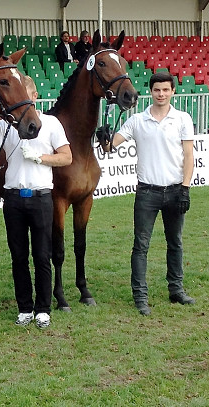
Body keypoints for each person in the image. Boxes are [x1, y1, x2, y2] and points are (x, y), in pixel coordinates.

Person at [0, 76, 72, 329]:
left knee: (42, 255)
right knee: (18, 256)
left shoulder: (51, 124)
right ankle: (25, 307)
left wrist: (41, 157)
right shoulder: (5, 125)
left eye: (25, 97)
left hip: (41, 197)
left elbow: (67, 157)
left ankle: (43, 308)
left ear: (35, 96)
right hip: (14, 198)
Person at [99, 72, 195, 316]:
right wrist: (104, 138)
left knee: (175, 243)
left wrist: (185, 188)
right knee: (140, 245)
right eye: (156, 90)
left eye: (165, 90)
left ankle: (176, 289)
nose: (161, 94)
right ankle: (140, 296)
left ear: (173, 91)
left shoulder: (183, 119)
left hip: (175, 190)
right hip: (147, 192)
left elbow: (189, 156)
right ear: (150, 92)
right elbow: (111, 146)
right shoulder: (137, 121)